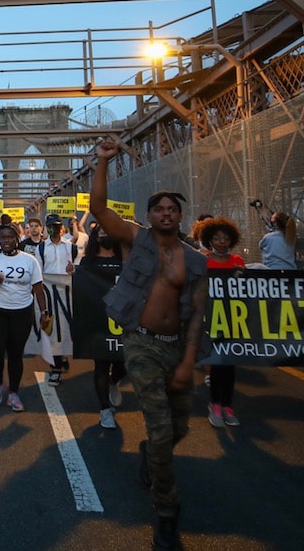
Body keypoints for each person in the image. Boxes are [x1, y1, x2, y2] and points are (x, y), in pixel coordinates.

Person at [90, 138, 208, 551]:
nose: (165, 214)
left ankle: (148, 454)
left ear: (180, 216)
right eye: (158, 209)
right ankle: (166, 513)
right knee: (161, 431)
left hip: (177, 345)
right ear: (149, 216)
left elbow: (196, 314)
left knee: (178, 429)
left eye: (172, 209)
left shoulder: (195, 261)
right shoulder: (136, 241)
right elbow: (100, 210)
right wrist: (102, 162)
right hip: (141, 342)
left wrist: (188, 361)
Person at [0, 224, 49, 412]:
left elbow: (38, 289)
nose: (6, 240)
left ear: (17, 238)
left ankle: (14, 393)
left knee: (16, 354)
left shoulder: (29, 260)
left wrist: (45, 312)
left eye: (9, 237)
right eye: (2, 237)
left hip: (22, 311)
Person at [75, 224, 126, 429]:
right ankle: (105, 409)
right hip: (98, 319)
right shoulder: (88, 261)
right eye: (101, 232)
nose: (105, 234)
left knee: (123, 362)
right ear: (95, 237)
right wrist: (74, 273)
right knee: (102, 364)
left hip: (122, 319)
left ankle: (115, 380)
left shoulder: (125, 260)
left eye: (108, 231)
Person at [199, 216, 246, 428]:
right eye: (217, 238)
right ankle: (215, 404)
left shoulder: (238, 262)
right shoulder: (203, 261)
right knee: (217, 364)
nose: (221, 242)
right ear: (209, 240)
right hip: (211, 321)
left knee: (230, 365)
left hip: (234, 321)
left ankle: (227, 405)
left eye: (225, 238)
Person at [35, 213, 77, 385]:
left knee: (66, 328)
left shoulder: (71, 248)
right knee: (52, 329)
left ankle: (62, 356)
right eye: (51, 226)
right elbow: (38, 271)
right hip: (50, 294)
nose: (55, 229)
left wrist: (73, 269)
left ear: (61, 228)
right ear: (47, 228)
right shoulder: (42, 248)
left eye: (58, 226)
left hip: (68, 295)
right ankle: (56, 368)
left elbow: (79, 269)